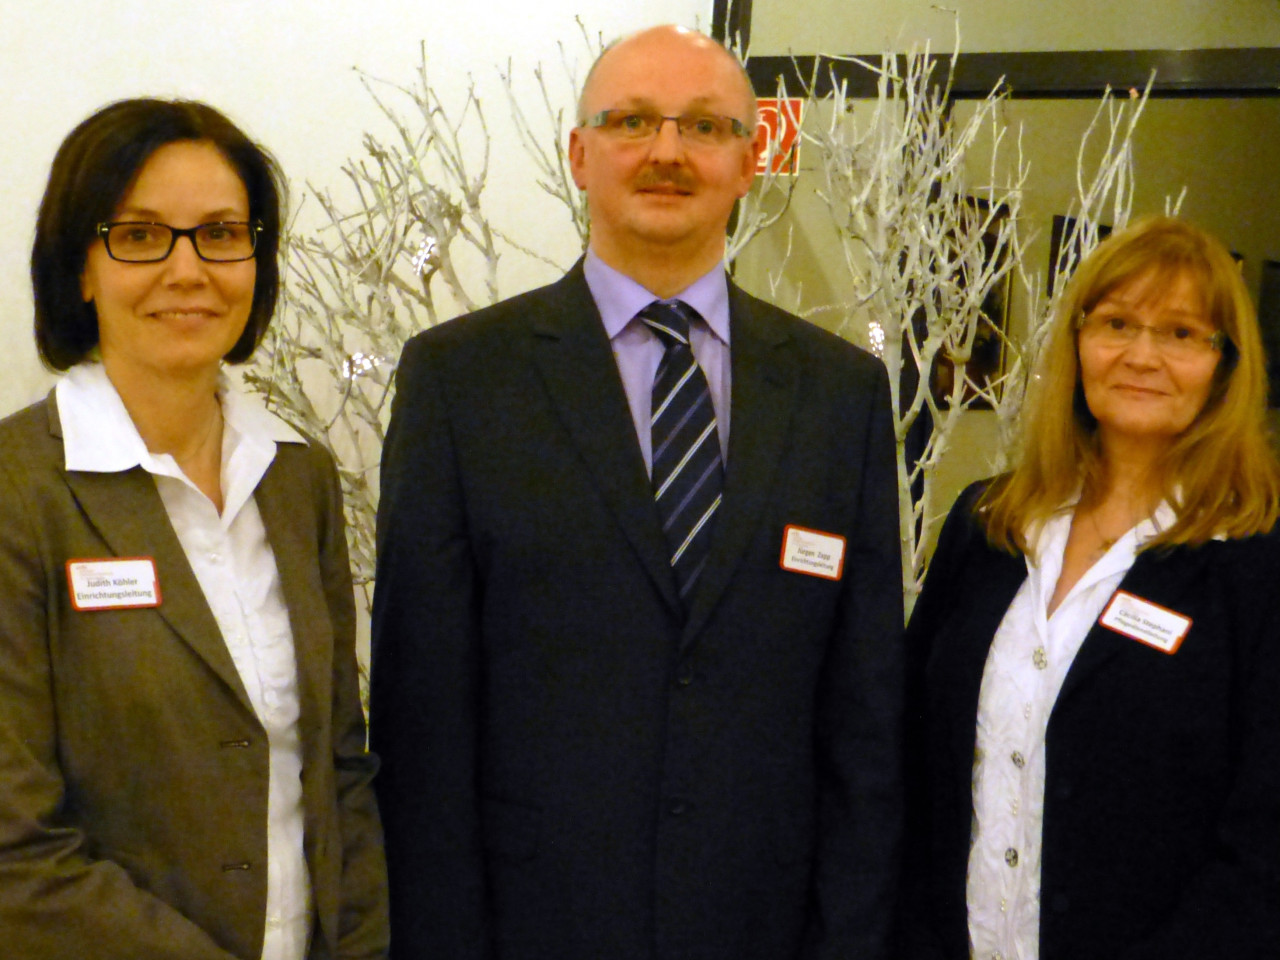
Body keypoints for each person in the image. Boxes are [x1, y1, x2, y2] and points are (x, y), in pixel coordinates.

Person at [370, 23, 903, 960]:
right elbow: (424, 722)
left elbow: (862, 715)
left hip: (763, 926)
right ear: (579, 154)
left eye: (705, 127)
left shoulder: (839, 395)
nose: (667, 152)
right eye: (632, 122)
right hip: (535, 923)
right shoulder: (460, 380)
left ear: (753, 159)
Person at [0, 98, 388, 960]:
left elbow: (337, 774)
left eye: (220, 233)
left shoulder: (298, 477)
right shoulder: (18, 491)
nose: (188, 269)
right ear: (81, 269)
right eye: (140, 235)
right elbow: (16, 852)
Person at [900, 216, 1280, 959]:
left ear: (1225, 365)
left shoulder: (1256, 567)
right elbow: (912, 760)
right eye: (1117, 323)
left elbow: (1262, 848)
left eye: (1181, 334)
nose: (1142, 356)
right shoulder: (986, 525)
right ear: (1077, 342)